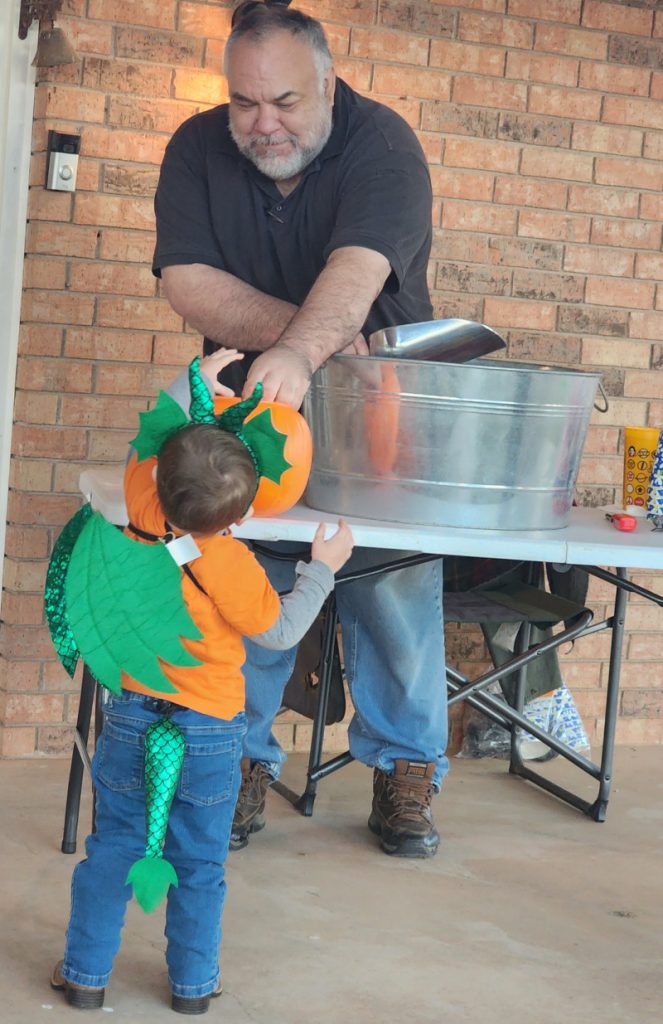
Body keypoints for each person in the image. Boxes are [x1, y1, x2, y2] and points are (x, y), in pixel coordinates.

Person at [153, 1, 447, 860]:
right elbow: (188, 283)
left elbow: (357, 272)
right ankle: (237, 760)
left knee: (390, 590)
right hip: (250, 415)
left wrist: (304, 349)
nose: (262, 123)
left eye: (283, 101)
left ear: (327, 83)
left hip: (382, 411)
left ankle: (404, 769)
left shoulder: (383, 145)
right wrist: (292, 344)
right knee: (244, 583)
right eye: (244, 103)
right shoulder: (196, 147)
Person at [50, 349, 354, 1014]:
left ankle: (84, 978)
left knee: (114, 849)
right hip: (210, 733)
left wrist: (190, 384)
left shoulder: (136, 505)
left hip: (131, 716)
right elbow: (276, 632)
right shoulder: (231, 560)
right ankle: (191, 988)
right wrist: (321, 568)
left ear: (158, 478)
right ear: (241, 516)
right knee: (198, 862)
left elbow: (150, 436)